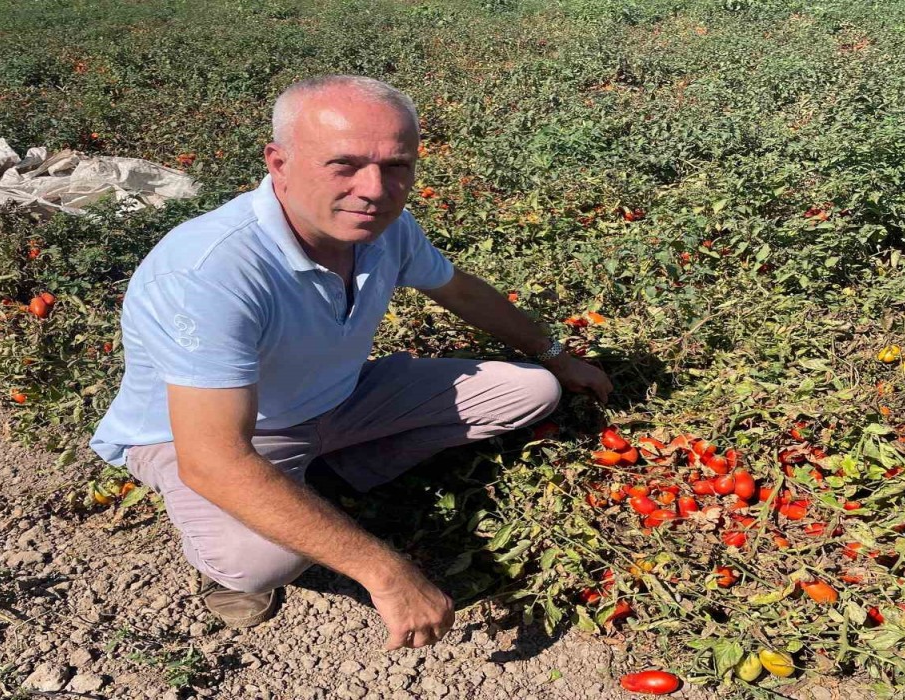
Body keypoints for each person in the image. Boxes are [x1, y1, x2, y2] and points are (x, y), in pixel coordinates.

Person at [88, 75, 613, 650]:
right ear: (279, 163)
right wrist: (385, 573)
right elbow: (213, 460)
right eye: (344, 164)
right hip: (212, 436)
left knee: (531, 392)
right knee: (260, 562)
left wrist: (557, 356)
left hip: (335, 400)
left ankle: (321, 481)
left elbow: (461, 291)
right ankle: (250, 532)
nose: (375, 189)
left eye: (397, 166)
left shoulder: (383, 230)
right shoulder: (209, 273)